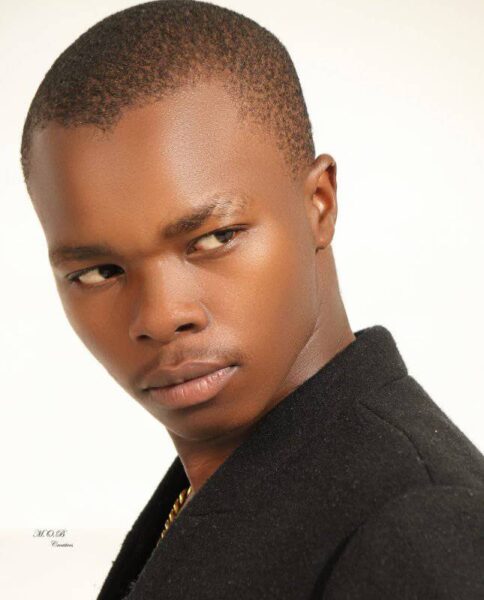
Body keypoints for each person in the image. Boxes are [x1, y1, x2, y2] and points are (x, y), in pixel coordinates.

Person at [20, 1, 484, 598]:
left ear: (319, 204)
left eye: (214, 239)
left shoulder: (420, 535)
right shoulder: (225, 488)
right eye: (97, 272)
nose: (160, 317)